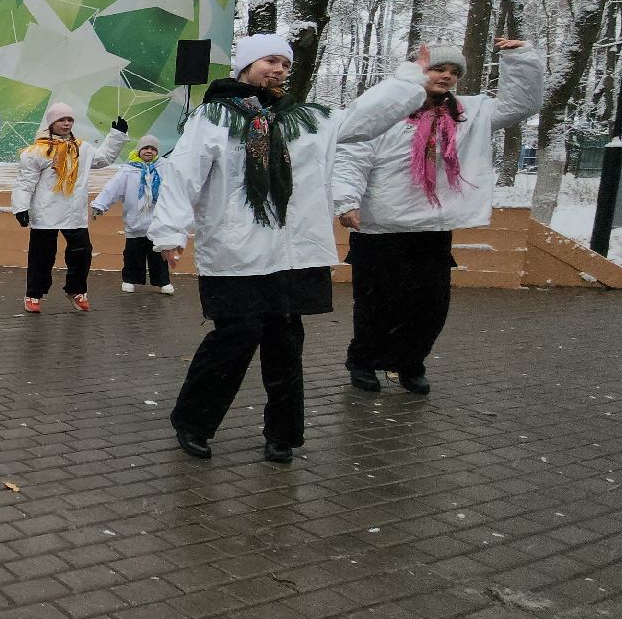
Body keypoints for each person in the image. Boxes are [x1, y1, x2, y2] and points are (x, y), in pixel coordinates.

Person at [149, 33, 426, 464]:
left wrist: (411, 78)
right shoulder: (216, 116)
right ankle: (193, 421)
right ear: (244, 66)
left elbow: (365, 118)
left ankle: (283, 435)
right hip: (237, 252)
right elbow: (183, 173)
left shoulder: (308, 119)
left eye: (283, 63)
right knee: (234, 339)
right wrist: (169, 231)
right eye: (268, 61)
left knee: (285, 344)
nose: (277, 69)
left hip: (295, 254)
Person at [332, 37, 543, 394]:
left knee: (430, 307)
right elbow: (351, 156)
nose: (445, 76)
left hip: (432, 227)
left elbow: (522, 103)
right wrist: (346, 201)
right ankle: (364, 360)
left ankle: (409, 363)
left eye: (453, 71)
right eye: (437, 68)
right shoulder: (386, 111)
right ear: (420, 71)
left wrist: (520, 59)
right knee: (377, 306)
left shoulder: (469, 113)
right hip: (380, 227)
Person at [13, 102, 128, 313]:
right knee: (42, 256)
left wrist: (117, 135)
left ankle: (76, 290)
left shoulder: (82, 148)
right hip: (46, 212)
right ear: (51, 123)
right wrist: (20, 207)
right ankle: (34, 294)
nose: (66, 124)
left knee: (82, 253)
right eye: (61, 120)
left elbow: (103, 159)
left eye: (69, 120)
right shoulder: (38, 151)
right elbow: (24, 182)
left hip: (73, 212)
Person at [90, 134, 174, 295]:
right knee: (133, 254)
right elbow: (112, 189)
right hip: (135, 221)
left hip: (158, 222)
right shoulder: (128, 170)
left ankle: (163, 281)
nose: (149, 151)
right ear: (139, 150)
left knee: (158, 255)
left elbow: (177, 187)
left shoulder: (165, 167)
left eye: (153, 149)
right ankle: (129, 280)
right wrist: (99, 205)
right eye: (145, 148)